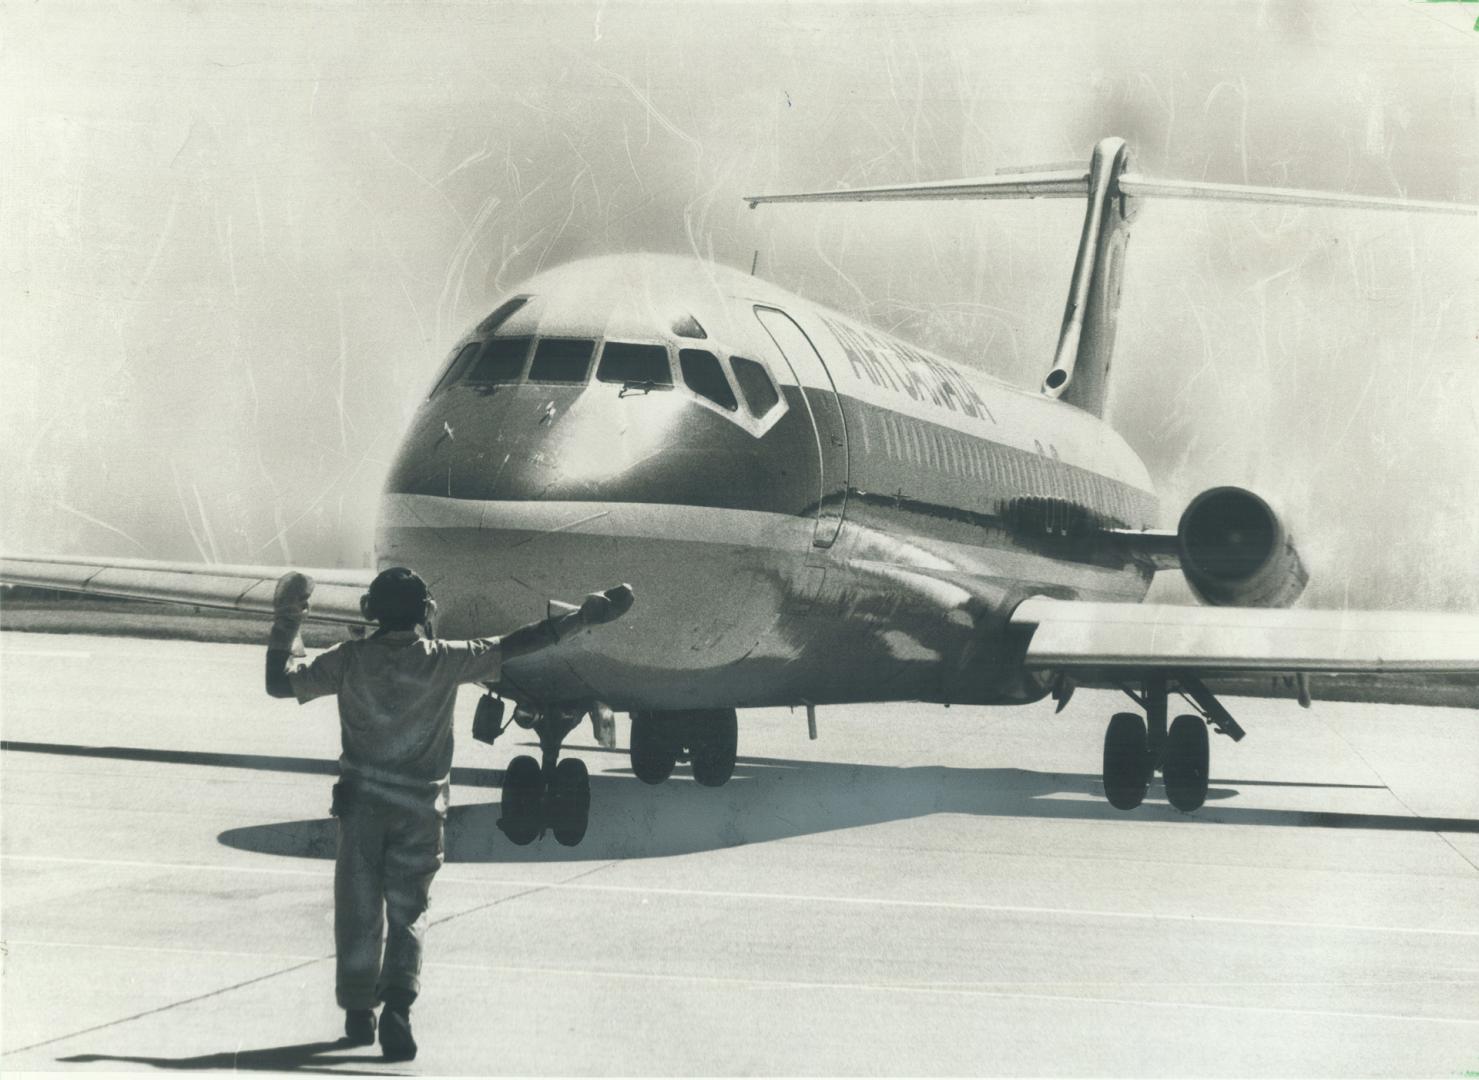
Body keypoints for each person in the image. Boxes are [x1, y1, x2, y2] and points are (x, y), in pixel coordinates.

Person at [265, 566, 633, 1062]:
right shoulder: (445, 660)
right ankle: (398, 1006)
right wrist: (582, 618)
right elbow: (518, 642)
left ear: (372, 611)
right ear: (423, 613)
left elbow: (279, 683)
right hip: (420, 809)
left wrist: (289, 618)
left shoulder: (349, 660)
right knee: (409, 910)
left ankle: (357, 1011)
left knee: (357, 910)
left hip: (361, 807)